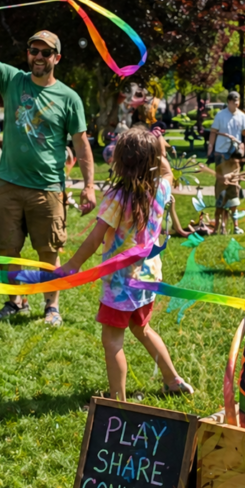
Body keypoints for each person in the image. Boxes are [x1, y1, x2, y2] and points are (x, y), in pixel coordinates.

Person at [0, 3, 96, 327]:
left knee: (48, 250)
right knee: (8, 247)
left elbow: (80, 143)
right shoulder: (13, 80)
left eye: (45, 52)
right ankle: (15, 301)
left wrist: (89, 185)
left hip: (48, 188)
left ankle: (51, 306)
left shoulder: (69, 98)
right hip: (9, 183)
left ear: (56, 58)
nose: (38, 56)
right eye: (33, 50)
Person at [56, 128, 193, 400]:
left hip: (121, 284)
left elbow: (95, 238)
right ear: (154, 159)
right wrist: (159, 146)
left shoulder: (118, 197)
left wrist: (72, 265)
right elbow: (166, 171)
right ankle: (173, 380)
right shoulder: (162, 188)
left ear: (119, 161)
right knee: (142, 329)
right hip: (148, 278)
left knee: (112, 341)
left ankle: (118, 402)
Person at [207, 90, 245, 233]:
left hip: (234, 156)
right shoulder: (220, 115)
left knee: (234, 185)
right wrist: (210, 148)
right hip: (221, 154)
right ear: (229, 102)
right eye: (234, 102)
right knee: (221, 186)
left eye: (238, 101)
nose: (236, 104)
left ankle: (235, 226)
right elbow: (213, 132)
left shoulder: (242, 116)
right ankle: (221, 226)